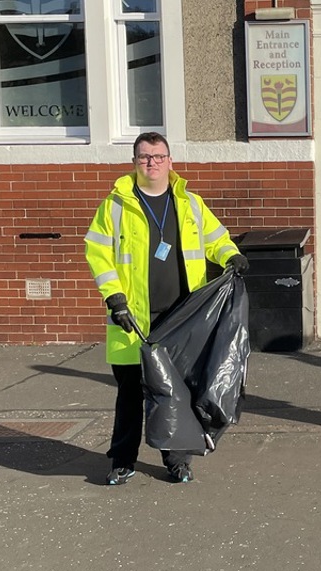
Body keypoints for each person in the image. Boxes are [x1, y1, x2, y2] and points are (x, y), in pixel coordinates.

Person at [85, 132, 250, 485]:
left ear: (170, 161)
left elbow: (215, 238)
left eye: (158, 157)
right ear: (135, 162)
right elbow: (97, 253)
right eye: (145, 157)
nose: (152, 163)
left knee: (176, 394)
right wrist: (114, 298)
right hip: (133, 319)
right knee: (129, 395)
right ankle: (122, 460)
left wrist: (231, 255)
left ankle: (177, 461)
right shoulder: (115, 205)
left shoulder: (189, 203)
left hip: (180, 318)